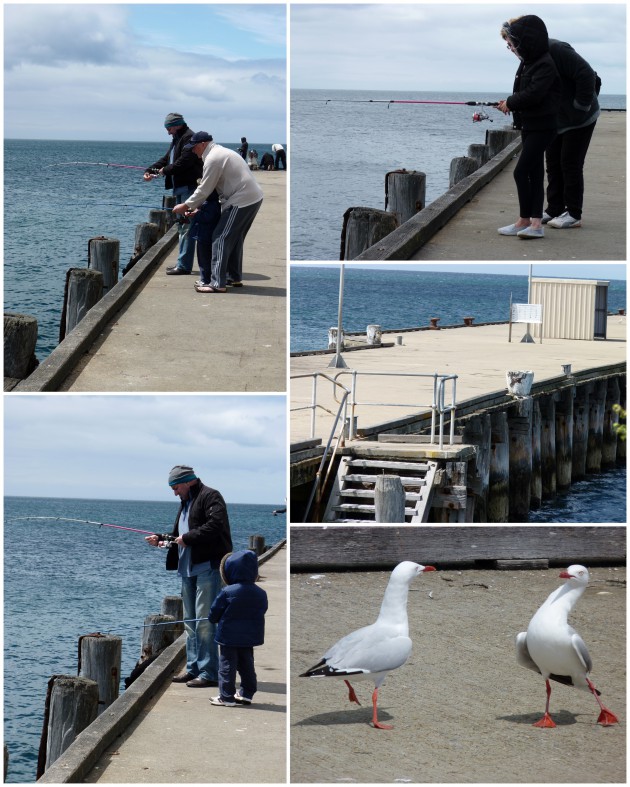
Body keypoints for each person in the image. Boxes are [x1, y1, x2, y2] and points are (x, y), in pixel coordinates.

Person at [145, 465, 232, 688]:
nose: (174, 492)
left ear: (188, 481)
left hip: (207, 568)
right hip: (187, 570)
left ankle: (209, 673)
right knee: (190, 623)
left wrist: (188, 538)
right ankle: (193, 669)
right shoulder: (185, 503)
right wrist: (162, 540)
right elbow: (180, 537)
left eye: (176, 487)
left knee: (204, 622)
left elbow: (215, 525)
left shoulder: (211, 496)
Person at [172, 132, 263, 293]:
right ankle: (233, 277)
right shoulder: (220, 152)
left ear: (203, 144)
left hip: (241, 200)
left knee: (220, 237)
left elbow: (204, 188)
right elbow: (210, 188)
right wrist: (196, 207)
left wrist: (185, 205)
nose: (193, 151)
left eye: (194, 148)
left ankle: (217, 283)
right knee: (234, 239)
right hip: (253, 197)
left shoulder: (213, 158)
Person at [496, 16, 561, 239]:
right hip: (530, 125)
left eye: (512, 44)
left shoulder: (544, 63)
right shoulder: (529, 62)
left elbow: (534, 93)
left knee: (521, 171)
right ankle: (530, 222)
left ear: (526, 41)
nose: (511, 48)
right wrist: (508, 105)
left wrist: (510, 103)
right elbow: (524, 95)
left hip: (544, 126)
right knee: (533, 172)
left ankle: (531, 222)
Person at [543, 40, 601, 228]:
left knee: (570, 163)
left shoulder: (557, 49)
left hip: (581, 118)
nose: (511, 49)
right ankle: (555, 209)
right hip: (557, 119)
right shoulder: (529, 58)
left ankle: (574, 213)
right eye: (509, 45)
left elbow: (586, 74)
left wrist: (580, 107)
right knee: (552, 163)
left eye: (511, 43)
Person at [208, 549, 268, 707]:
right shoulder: (261, 593)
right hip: (249, 636)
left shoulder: (227, 592)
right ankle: (247, 693)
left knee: (227, 665)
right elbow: (262, 610)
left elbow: (215, 611)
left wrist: (212, 619)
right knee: (247, 664)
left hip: (228, 637)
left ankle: (226, 697)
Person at [144, 113, 202, 274]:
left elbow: (183, 162)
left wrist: (163, 171)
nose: (168, 132)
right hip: (180, 188)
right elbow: (167, 159)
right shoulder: (178, 138)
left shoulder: (189, 137)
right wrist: (150, 170)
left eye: (169, 128)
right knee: (183, 225)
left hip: (189, 188)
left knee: (186, 226)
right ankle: (182, 264)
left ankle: (183, 266)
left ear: (176, 125)